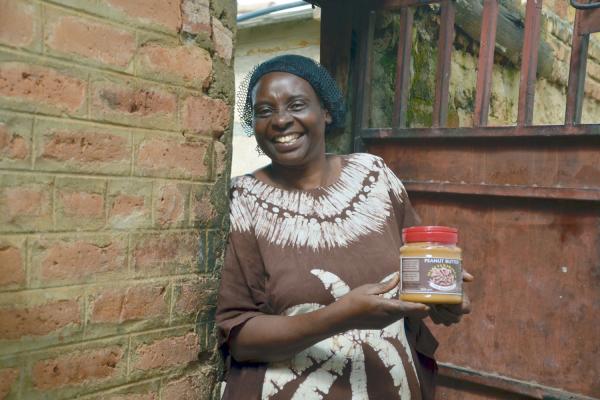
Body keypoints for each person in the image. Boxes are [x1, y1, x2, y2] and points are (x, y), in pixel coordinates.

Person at [215, 54, 472, 400]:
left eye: (296, 105)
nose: (280, 120)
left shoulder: (375, 176)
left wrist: (442, 299)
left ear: (326, 112)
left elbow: (417, 278)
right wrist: (341, 317)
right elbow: (241, 339)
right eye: (264, 111)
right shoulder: (243, 199)